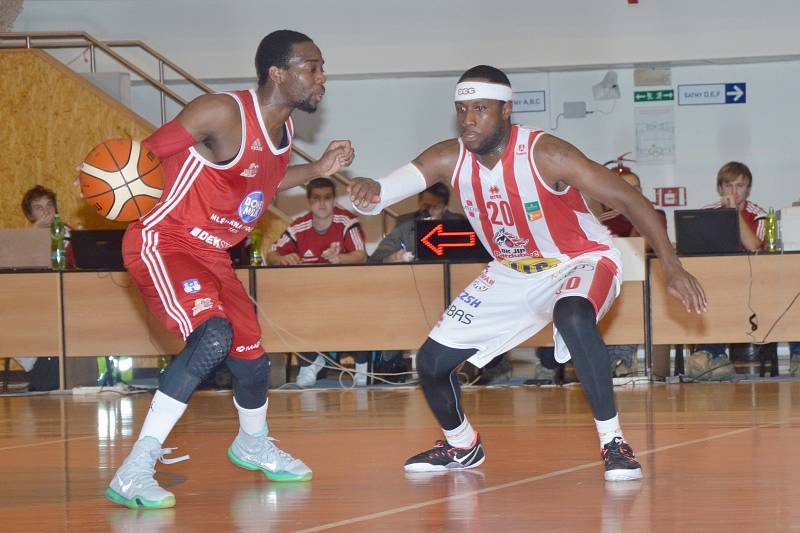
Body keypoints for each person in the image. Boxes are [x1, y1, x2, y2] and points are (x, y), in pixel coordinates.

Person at [348, 65, 706, 480]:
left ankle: (614, 442)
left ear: (506, 110)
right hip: (512, 272)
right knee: (430, 362)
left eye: (480, 109)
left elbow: (630, 200)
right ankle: (463, 445)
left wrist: (672, 267)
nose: (468, 119)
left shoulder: (545, 153)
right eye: (462, 109)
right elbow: (384, 191)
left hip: (580, 259)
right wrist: (367, 191)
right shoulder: (448, 155)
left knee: (572, 314)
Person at [106, 30, 354, 509]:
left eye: (322, 67)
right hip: (166, 240)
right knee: (214, 336)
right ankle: (135, 467)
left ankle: (252, 443)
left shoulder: (282, 133)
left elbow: (266, 179)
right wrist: (108, 182)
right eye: (312, 67)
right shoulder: (220, 112)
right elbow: (142, 160)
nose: (322, 77)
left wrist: (319, 166)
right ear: (277, 73)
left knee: (251, 358)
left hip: (214, 255)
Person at [265, 176, 369, 387]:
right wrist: (282, 258)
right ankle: (310, 362)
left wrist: (340, 258)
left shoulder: (348, 222)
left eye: (327, 198)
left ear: (334, 200)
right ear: (309, 201)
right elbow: (271, 255)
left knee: (360, 309)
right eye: (317, 198)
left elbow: (361, 255)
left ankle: (362, 365)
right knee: (293, 308)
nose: (322, 203)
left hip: (345, 293)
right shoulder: (297, 227)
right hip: (310, 295)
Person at [685, 161, 781, 380]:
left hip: (750, 285)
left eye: (740, 186)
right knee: (703, 294)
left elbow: (755, 247)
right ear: (720, 188)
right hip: (714, 281)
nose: (734, 191)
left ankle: (711, 356)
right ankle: (711, 355)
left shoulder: (759, 215)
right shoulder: (706, 212)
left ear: (748, 189)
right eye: (729, 186)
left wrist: (733, 214)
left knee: (723, 297)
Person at [368, 182, 465, 263]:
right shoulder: (405, 223)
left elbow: (469, 256)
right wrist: (392, 258)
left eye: (435, 207)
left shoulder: (458, 223)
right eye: (426, 206)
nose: (429, 212)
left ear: (445, 208)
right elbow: (376, 258)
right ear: (419, 202)